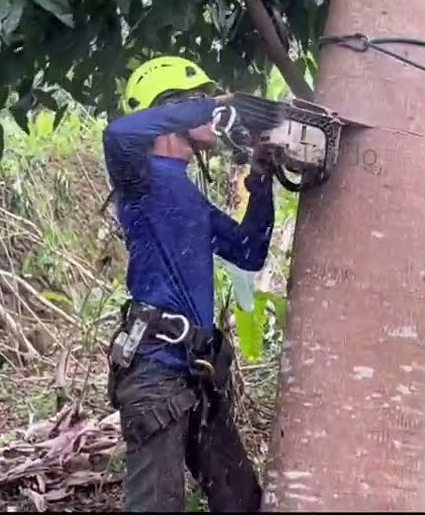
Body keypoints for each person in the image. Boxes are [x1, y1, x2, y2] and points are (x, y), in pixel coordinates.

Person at [102, 55, 273, 512]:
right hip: (155, 373)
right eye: (194, 100)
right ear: (171, 109)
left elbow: (248, 250)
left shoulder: (186, 193)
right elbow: (118, 132)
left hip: (196, 373)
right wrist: (212, 105)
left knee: (242, 501)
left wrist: (262, 176)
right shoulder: (138, 179)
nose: (210, 117)